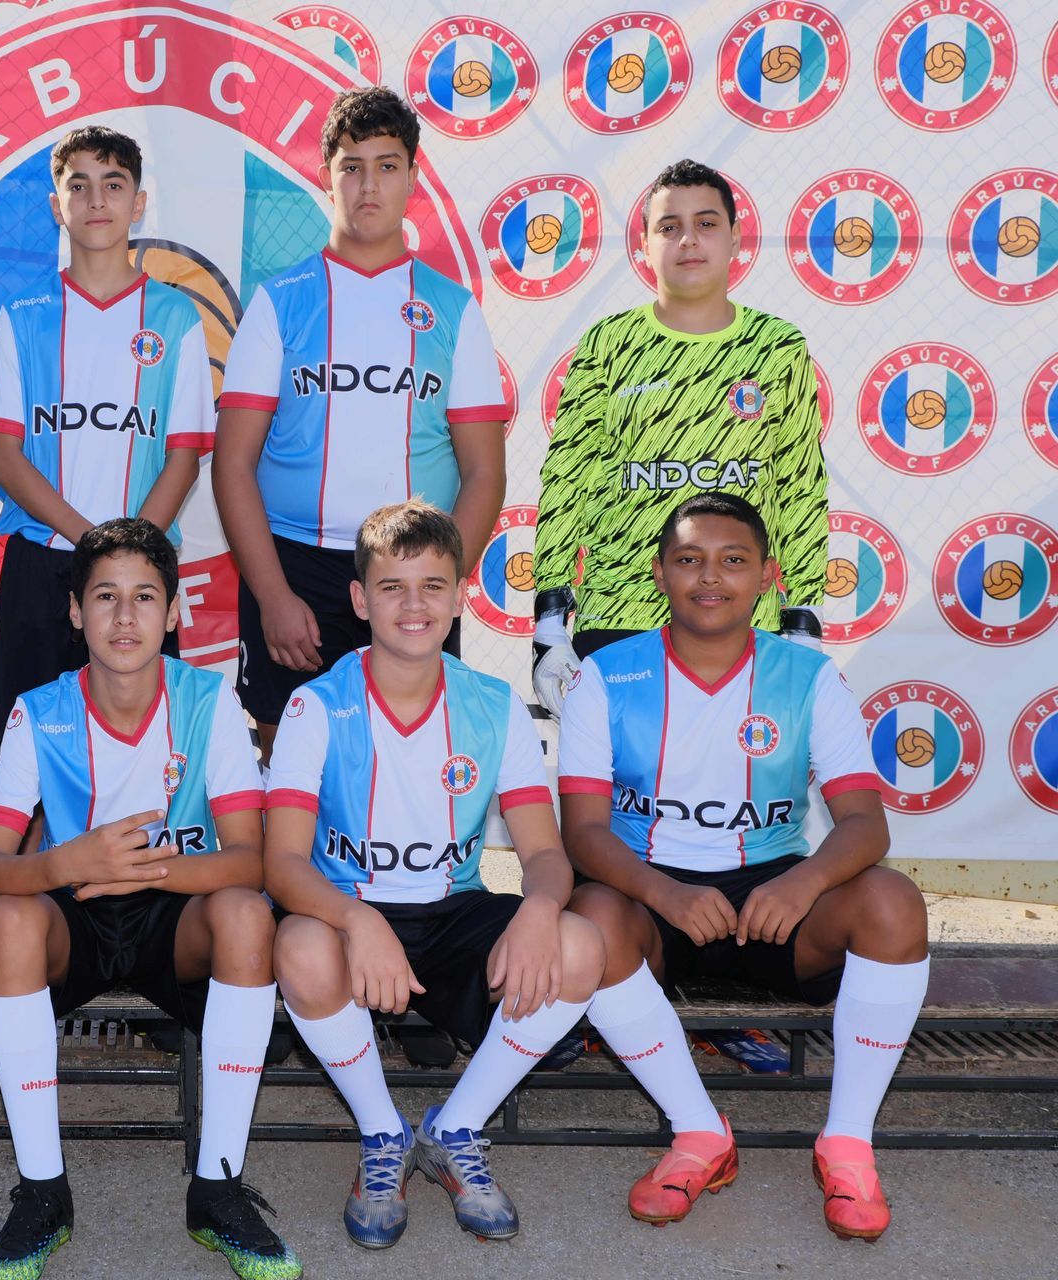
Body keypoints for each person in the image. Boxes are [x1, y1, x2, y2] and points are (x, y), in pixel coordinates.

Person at [559, 493, 928, 1242]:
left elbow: (867, 825)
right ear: (659, 572)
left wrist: (804, 881)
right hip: (651, 899)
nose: (710, 577)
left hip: (773, 900)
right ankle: (699, 1133)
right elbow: (583, 833)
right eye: (689, 560)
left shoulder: (808, 676)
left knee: (892, 901)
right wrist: (665, 891)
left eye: (733, 561)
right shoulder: (606, 675)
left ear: (767, 576)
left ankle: (847, 1146)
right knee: (590, 917)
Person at [264, 500, 601, 1248]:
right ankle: (382, 1133)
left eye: (431, 586)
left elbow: (547, 856)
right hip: (347, 909)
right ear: (360, 599)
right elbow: (281, 864)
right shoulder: (315, 706)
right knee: (301, 946)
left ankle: (455, 1128)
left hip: (452, 910)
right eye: (392, 587)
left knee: (578, 943)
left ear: (458, 598)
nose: (413, 605)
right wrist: (357, 919)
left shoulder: (494, 705)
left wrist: (539, 911)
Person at [0, 519, 298, 1280]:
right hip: (74, 910)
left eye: (145, 597)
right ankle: (43, 1192)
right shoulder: (37, 711)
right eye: (105, 597)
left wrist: (144, 871)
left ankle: (217, 1188)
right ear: (75, 612)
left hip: (173, 913)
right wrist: (69, 861)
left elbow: (251, 861)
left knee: (247, 915)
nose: (125, 617)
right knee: (10, 919)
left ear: (175, 612)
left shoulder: (209, 701)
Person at [215, 86, 507, 759]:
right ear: (326, 176)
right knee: (289, 758)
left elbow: (485, 472)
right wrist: (272, 595)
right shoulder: (278, 302)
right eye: (352, 166)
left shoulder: (453, 309)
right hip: (295, 566)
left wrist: (436, 585)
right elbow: (232, 466)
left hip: (412, 569)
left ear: (412, 177)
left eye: (386, 165)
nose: (368, 185)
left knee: (410, 756)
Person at [533, 157, 828, 705]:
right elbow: (566, 478)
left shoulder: (777, 346)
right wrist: (550, 618)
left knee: (745, 761)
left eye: (706, 223)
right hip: (621, 616)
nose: (688, 239)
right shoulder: (608, 344)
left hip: (744, 620)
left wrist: (804, 616)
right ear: (645, 245)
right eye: (670, 227)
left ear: (735, 238)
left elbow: (799, 483)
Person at [0, 127, 213, 757]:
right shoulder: (24, 313)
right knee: (29, 752)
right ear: (56, 206)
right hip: (42, 564)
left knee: (144, 753)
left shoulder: (173, 316)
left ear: (138, 204)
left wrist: (127, 557)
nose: (96, 200)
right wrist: (95, 547)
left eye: (113, 185)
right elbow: (4, 455)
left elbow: (184, 458)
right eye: (78, 186)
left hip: (139, 569)